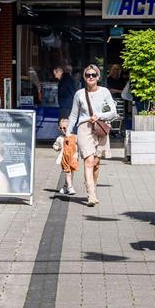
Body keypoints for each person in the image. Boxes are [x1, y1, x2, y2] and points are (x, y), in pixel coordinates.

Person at [66, 64, 117, 206]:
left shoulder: (105, 92)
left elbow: (113, 112)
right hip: (84, 128)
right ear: (84, 77)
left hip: (100, 128)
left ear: (98, 77)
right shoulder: (79, 94)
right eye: (88, 75)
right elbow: (73, 115)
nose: (90, 77)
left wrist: (99, 115)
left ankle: (92, 186)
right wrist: (68, 133)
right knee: (88, 161)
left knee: (96, 163)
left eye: (93, 75)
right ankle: (91, 194)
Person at [52, 118, 78, 194]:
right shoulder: (60, 138)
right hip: (64, 158)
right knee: (68, 172)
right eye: (61, 128)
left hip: (73, 158)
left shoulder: (74, 137)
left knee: (70, 172)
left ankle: (65, 187)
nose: (63, 130)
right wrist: (57, 148)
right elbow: (55, 145)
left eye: (64, 128)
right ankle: (70, 187)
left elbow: (78, 146)